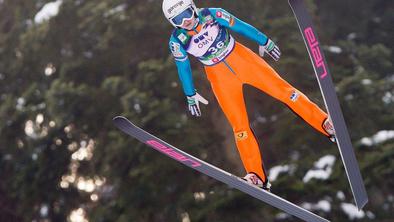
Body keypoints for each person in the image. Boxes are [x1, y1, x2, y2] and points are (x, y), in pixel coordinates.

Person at [162, 0, 335, 191]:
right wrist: (190, 93)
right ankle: (256, 176)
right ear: (172, 22)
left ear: (192, 8)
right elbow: (183, 67)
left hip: (244, 61)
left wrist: (264, 41)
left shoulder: (212, 15)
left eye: (186, 13)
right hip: (220, 78)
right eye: (178, 19)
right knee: (239, 127)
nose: (185, 21)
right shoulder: (177, 40)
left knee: (286, 92)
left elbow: (241, 26)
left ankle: (325, 122)